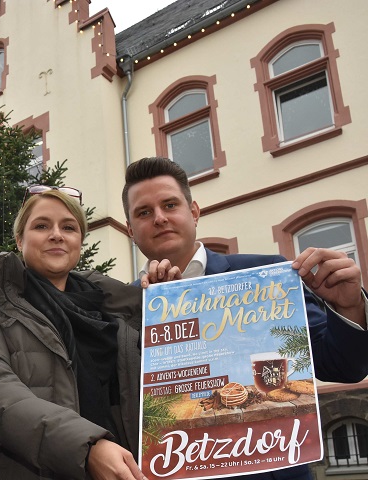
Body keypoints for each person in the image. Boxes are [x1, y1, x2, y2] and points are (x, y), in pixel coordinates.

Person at [123, 156, 368, 480]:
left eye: (170, 204)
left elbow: (343, 366)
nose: (159, 218)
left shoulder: (267, 278)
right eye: (144, 212)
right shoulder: (121, 308)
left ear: (194, 211)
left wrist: (349, 308)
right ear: (129, 229)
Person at [0, 188, 147, 480]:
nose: (57, 234)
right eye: (41, 226)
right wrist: (86, 446)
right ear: (20, 239)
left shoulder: (114, 307)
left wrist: (167, 296)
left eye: (69, 227)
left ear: (79, 240)